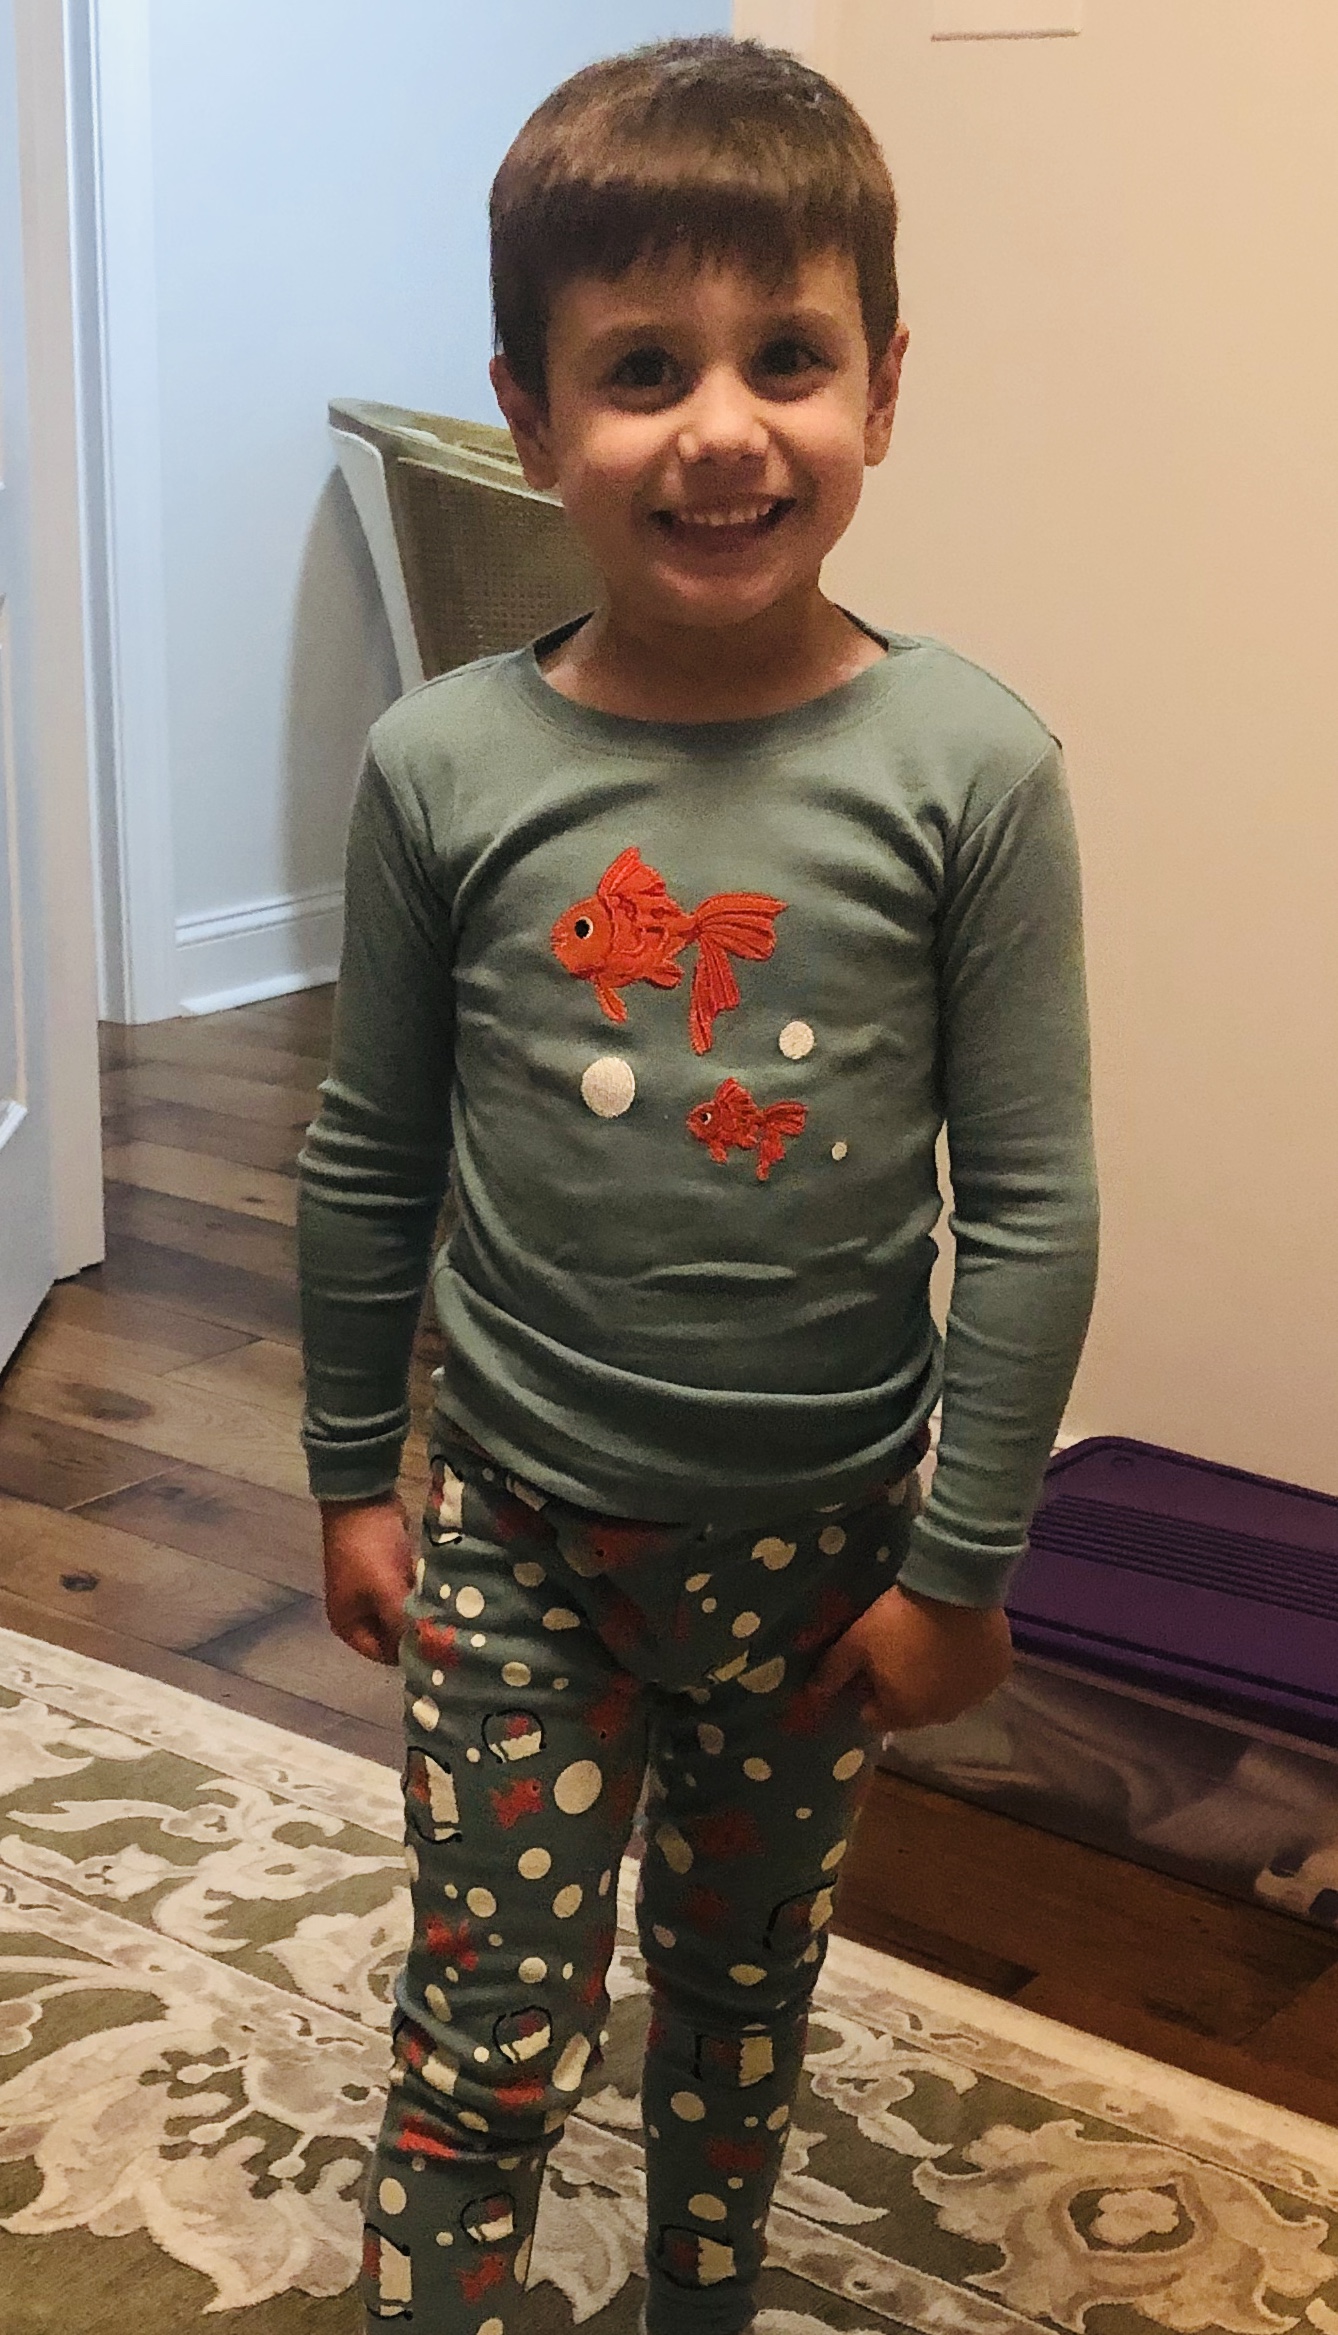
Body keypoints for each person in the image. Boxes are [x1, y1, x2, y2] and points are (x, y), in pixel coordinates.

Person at [298, 33, 1099, 2334]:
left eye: (788, 360)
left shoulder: (972, 770)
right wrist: (350, 1470)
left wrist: (961, 1566)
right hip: (519, 1540)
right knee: (484, 2034)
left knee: (742, 2008)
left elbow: (1032, 1203)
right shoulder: (442, 766)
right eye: (642, 369)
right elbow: (367, 1153)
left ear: (884, 387)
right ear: (530, 416)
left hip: (826, 1561)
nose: (721, 428)